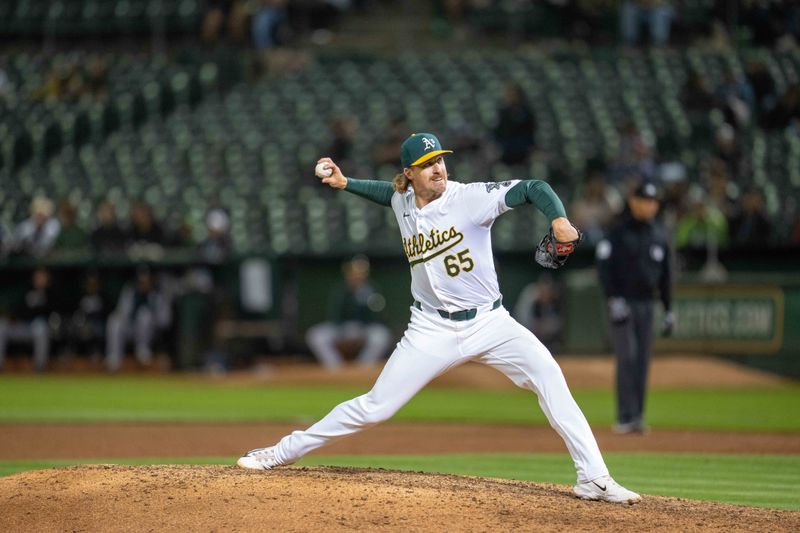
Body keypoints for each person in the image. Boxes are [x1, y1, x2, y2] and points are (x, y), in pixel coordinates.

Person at [237, 132, 641, 504]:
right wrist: (346, 183)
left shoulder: (468, 198)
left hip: (491, 323)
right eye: (428, 163)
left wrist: (558, 217)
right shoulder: (404, 201)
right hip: (430, 328)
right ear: (410, 174)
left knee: (550, 377)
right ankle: (279, 452)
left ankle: (593, 477)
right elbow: (387, 194)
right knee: (374, 407)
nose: (439, 168)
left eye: (441, 160)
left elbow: (533, 188)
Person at [596, 182, 673, 435]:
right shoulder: (618, 233)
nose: (649, 205)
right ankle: (625, 416)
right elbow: (604, 268)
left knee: (642, 360)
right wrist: (613, 298)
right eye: (644, 200)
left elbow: (666, 276)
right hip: (623, 302)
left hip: (647, 303)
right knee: (627, 356)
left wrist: (668, 308)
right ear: (633, 202)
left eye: (653, 201)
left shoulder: (660, 235)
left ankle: (638, 416)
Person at [306, 255, 393, 370]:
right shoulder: (341, 291)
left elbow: (378, 316)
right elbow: (334, 315)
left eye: (360, 272)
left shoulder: (372, 290)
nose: (356, 276)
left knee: (381, 336)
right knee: (316, 335)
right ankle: (336, 368)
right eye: (354, 272)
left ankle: (362, 368)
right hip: (342, 329)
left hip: (364, 329)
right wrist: (343, 329)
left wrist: (362, 326)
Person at [105, 265, 172, 373]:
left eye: (146, 281)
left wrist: (153, 312)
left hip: (152, 333)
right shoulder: (130, 291)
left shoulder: (158, 294)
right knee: (114, 321)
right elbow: (121, 312)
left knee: (144, 315)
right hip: (130, 328)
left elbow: (165, 321)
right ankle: (114, 358)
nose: (143, 284)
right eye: (141, 281)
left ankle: (143, 352)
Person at [0, 266, 56, 372]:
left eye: (42, 277)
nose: (40, 279)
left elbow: (50, 312)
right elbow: (17, 309)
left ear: (47, 279)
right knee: (1, 325)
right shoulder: (26, 290)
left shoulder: (50, 293)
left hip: (35, 327)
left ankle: (39, 367)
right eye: (38, 277)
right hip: (21, 326)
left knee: (40, 327)